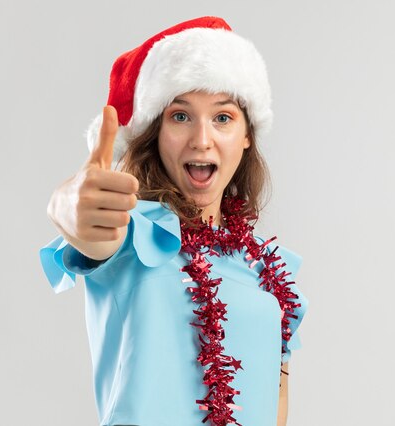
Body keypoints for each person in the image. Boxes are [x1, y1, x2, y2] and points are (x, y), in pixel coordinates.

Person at [39, 16, 308, 426]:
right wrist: (68, 205)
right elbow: (92, 235)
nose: (202, 139)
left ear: (247, 134)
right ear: (156, 133)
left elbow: (277, 395)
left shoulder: (269, 271)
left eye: (222, 117)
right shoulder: (134, 232)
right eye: (180, 116)